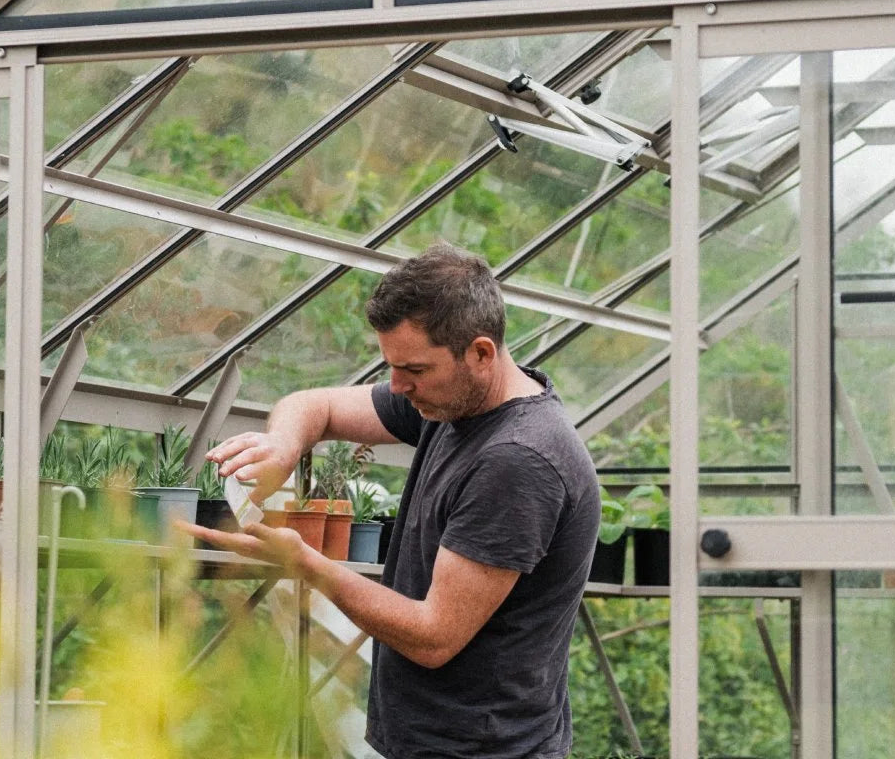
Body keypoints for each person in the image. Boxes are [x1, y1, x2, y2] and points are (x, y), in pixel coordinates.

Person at [185, 243, 599, 759]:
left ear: (481, 353)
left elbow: (434, 637)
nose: (398, 386)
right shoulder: (451, 405)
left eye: (415, 370)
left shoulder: (518, 460)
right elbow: (316, 405)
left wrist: (306, 565)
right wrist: (285, 446)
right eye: (392, 366)